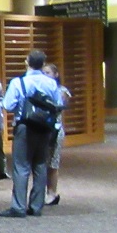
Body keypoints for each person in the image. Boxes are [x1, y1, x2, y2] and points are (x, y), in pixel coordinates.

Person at [0, 50, 64, 218]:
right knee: (40, 164)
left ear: (27, 62)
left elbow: (8, 105)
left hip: (25, 127)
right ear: (43, 64)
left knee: (21, 166)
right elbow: (58, 105)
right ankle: (36, 206)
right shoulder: (51, 83)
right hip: (45, 127)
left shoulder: (19, 82)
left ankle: (18, 207)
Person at [42, 63, 71, 206]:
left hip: (55, 130)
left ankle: (51, 192)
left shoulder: (61, 90)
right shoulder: (38, 88)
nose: (45, 75)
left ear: (55, 75)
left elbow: (62, 103)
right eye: (43, 73)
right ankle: (38, 192)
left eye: (48, 73)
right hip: (40, 129)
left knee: (53, 163)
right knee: (40, 162)